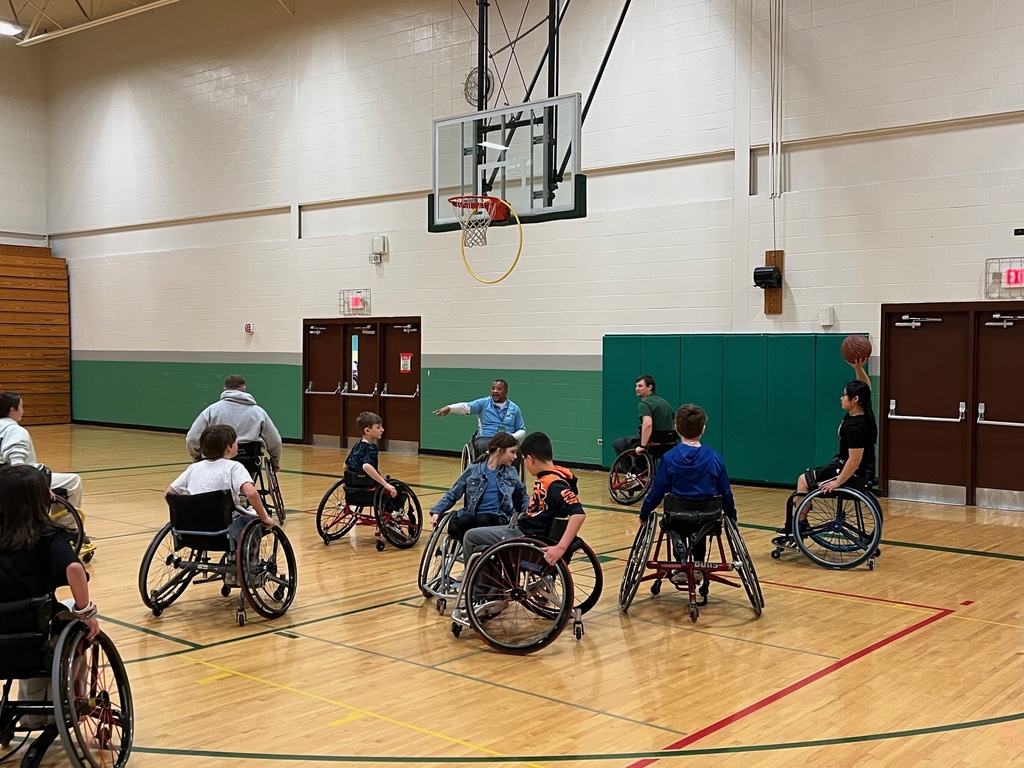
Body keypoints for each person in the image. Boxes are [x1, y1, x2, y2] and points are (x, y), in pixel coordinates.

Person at [0, 464, 100, 758]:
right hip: (35, 631)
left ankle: (34, 713)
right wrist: (87, 613)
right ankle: (61, 704)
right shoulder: (49, 535)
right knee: (77, 631)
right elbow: (73, 568)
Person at [774, 357, 876, 540]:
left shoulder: (855, 427)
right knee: (810, 477)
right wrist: (858, 368)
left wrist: (837, 482)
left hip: (854, 472)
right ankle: (801, 518)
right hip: (856, 468)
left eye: (844, 394)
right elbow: (866, 387)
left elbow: (855, 460)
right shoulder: (865, 412)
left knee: (803, 481)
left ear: (855, 399)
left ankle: (798, 526)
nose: (841, 397)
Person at [639, 404, 736, 584]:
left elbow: (658, 490)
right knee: (700, 526)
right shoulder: (714, 457)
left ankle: (681, 565)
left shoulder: (669, 458)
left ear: (676, 428)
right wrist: (732, 515)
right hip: (707, 516)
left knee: (678, 525)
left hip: (677, 516)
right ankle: (697, 566)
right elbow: (725, 492)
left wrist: (644, 513)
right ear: (703, 429)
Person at [462, 431, 586, 567]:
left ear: (531, 459)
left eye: (524, 461)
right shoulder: (561, 475)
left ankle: (476, 586)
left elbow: (578, 514)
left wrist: (560, 548)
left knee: (470, 536)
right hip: (529, 531)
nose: (525, 465)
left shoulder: (553, 484)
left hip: (527, 536)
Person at [0, 392, 95, 557]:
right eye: (22, 406)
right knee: (73, 481)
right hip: (15, 482)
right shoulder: (15, 431)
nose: (23, 410)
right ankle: (67, 531)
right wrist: (41, 488)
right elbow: (18, 466)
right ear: (12, 410)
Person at [167, 424, 277, 542]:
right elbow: (251, 493)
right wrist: (264, 517)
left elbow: (168, 493)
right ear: (229, 447)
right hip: (224, 527)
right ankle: (250, 558)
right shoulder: (234, 467)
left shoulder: (193, 468)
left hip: (193, 526)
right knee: (256, 521)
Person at [429, 433, 528, 541]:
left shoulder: (511, 472)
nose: (515, 457)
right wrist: (437, 511)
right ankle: (469, 551)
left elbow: (522, 494)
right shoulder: (473, 470)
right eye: (512, 452)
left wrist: (528, 511)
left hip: (499, 518)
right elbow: (453, 493)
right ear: (499, 451)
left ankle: (482, 552)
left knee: (484, 519)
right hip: (473, 516)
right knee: (464, 520)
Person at [186, 375, 283, 470]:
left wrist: (197, 458)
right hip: (249, 461)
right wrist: (275, 460)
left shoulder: (211, 411)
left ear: (224, 389)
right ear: (244, 389)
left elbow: (192, 438)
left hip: (217, 460)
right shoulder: (258, 412)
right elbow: (275, 440)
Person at [433, 379, 526, 457]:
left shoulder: (514, 408)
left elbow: (521, 430)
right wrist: (449, 408)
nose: (495, 391)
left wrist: (512, 437)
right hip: (487, 437)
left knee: (516, 451)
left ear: (506, 392)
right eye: (493, 388)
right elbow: (466, 407)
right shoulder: (484, 403)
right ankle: (483, 474)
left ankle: (512, 476)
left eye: (499, 389)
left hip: (507, 439)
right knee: (484, 446)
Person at [612, 375, 676, 456]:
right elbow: (676, 421)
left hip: (653, 442)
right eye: (636, 386)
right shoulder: (664, 402)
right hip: (669, 443)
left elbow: (648, 424)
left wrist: (643, 446)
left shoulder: (644, 404)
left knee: (618, 444)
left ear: (649, 387)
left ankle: (634, 469)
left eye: (640, 386)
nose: (636, 389)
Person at [345, 411, 397, 499]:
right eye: (378, 427)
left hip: (353, 486)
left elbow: (345, 465)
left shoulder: (357, 444)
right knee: (398, 490)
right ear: (367, 431)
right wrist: (385, 484)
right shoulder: (371, 447)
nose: (382, 430)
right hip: (368, 486)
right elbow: (366, 466)